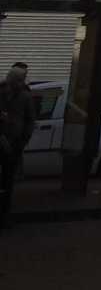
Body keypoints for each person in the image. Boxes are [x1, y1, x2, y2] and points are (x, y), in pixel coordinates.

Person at [0, 66, 34, 227]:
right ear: (11, 81)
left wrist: (24, 140)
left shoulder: (26, 97)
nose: (22, 83)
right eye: (19, 80)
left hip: (13, 143)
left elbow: (30, 119)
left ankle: (4, 214)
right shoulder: (1, 95)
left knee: (7, 181)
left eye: (23, 80)